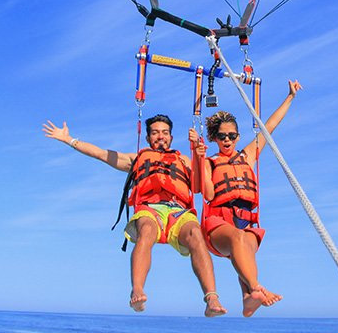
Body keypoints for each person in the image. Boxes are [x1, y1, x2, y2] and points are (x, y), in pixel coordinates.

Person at [42, 115, 227, 317]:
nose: (160, 137)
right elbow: (101, 154)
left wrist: (199, 156)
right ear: (148, 138)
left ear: (171, 138)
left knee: (195, 234)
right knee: (146, 230)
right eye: (155, 133)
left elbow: (204, 190)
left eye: (165, 133)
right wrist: (69, 139)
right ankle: (137, 290)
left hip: (178, 211)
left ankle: (211, 298)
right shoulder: (136, 159)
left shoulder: (184, 160)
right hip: (150, 209)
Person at [190, 80, 301, 317]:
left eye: (231, 135)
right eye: (222, 136)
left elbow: (269, 126)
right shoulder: (210, 162)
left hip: (246, 222)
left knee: (245, 243)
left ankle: (248, 299)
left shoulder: (247, 156)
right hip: (217, 226)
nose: (227, 140)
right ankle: (256, 288)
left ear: (238, 137)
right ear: (214, 138)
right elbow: (208, 194)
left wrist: (290, 97)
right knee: (238, 239)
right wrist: (198, 158)